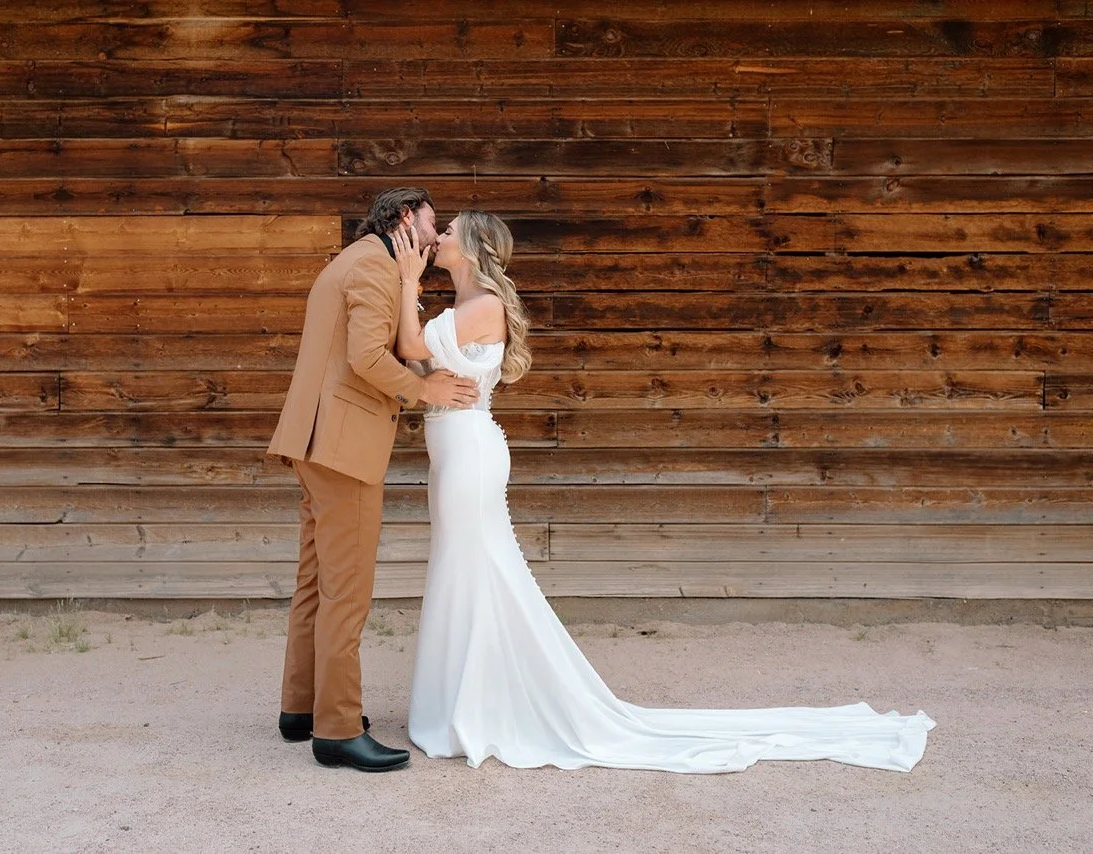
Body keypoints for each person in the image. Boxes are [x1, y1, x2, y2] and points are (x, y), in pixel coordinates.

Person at [392, 211, 936, 773]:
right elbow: (415, 358)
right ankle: (466, 699)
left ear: (476, 246)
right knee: (462, 570)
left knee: (475, 569)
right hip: (452, 451)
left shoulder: (482, 307)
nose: (440, 238)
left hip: (471, 454)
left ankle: (483, 704)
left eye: (450, 230)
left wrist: (407, 278)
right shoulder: (462, 308)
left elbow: (411, 342)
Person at [266, 188, 479, 773]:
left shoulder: (359, 260)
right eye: (434, 222)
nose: (437, 236)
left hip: (319, 442)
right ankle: (335, 729)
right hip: (342, 448)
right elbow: (365, 355)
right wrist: (425, 388)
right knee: (347, 589)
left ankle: (301, 708)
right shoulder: (373, 264)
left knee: (316, 581)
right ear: (406, 217)